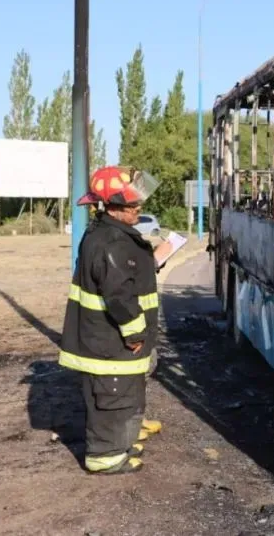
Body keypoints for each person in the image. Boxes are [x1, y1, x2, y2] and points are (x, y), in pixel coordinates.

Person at [58, 166, 172, 474]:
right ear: (111, 207)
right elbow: (119, 297)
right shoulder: (111, 243)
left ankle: (119, 445)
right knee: (113, 399)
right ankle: (105, 458)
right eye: (131, 204)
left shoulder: (112, 236)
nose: (138, 208)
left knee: (122, 396)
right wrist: (135, 335)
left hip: (108, 339)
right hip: (109, 342)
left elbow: (126, 280)